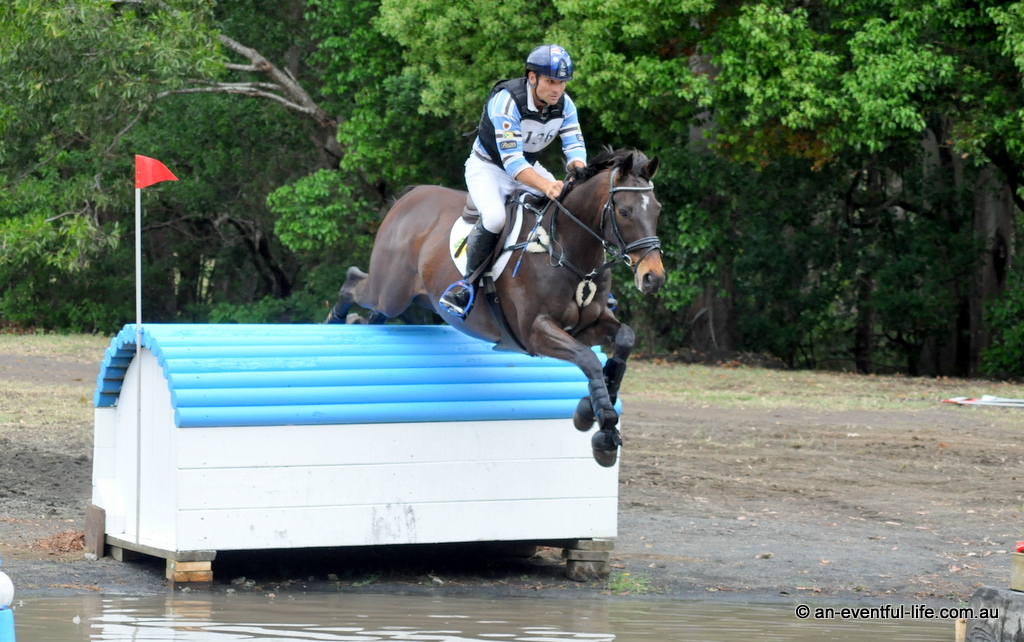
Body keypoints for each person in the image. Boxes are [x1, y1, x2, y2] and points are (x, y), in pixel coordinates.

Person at [439, 44, 588, 317]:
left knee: (572, 208)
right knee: (495, 218)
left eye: (562, 83)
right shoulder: (507, 100)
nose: (557, 89)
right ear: (532, 78)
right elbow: (512, 163)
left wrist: (578, 172)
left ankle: (586, 283)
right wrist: (547, 185)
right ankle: (466, 286)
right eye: (551, 81)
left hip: (529, 166)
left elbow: (575, 148)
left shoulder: (565, 105)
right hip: (488, 168)